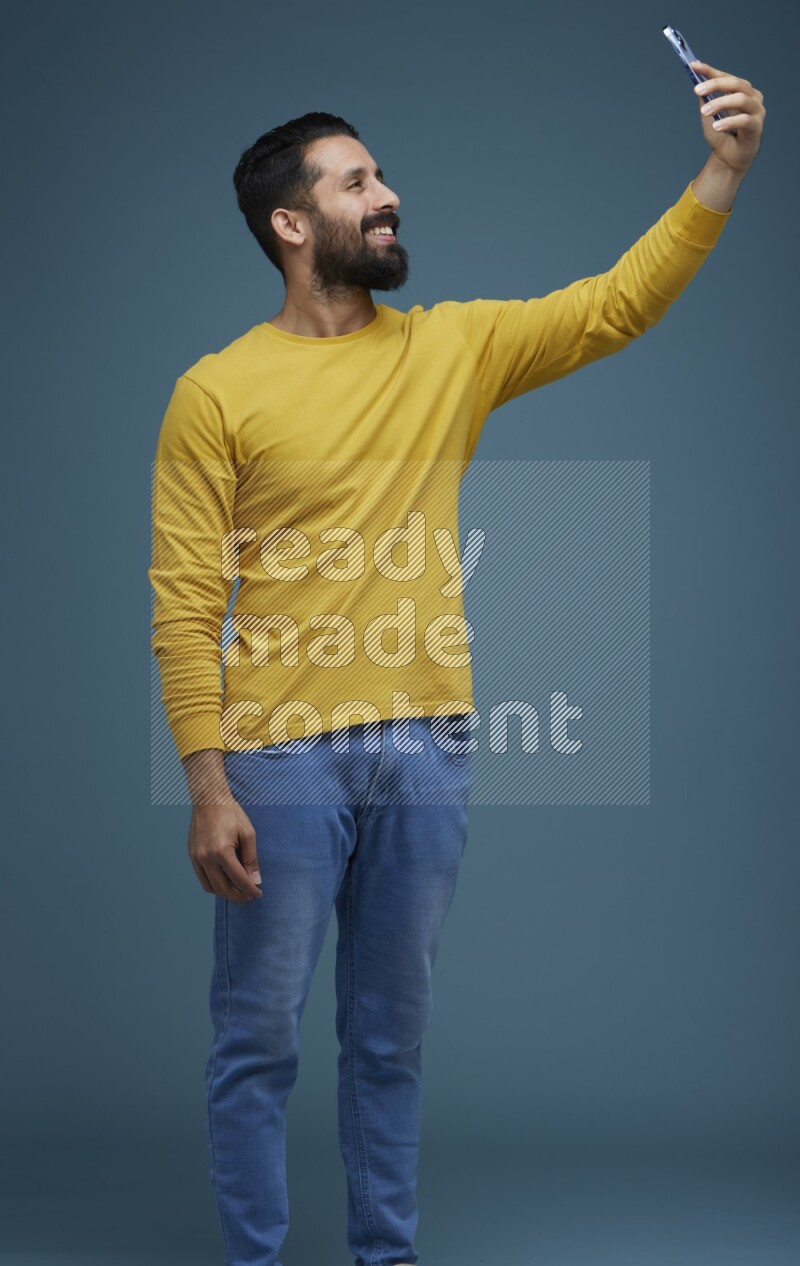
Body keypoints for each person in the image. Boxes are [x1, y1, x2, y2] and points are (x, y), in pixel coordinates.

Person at [149, 62, 764, 1266]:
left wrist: (720, 171)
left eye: (381, 177)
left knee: (388, 1040)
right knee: (258, 1038)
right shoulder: (213, 393)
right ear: (290, 223)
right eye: (358, 182)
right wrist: (208, 783)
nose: (388, 196)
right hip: (277, 763)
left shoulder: (452, 350)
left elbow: (615, 305)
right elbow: (182, 605)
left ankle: (388, 1255)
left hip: (425, 751)